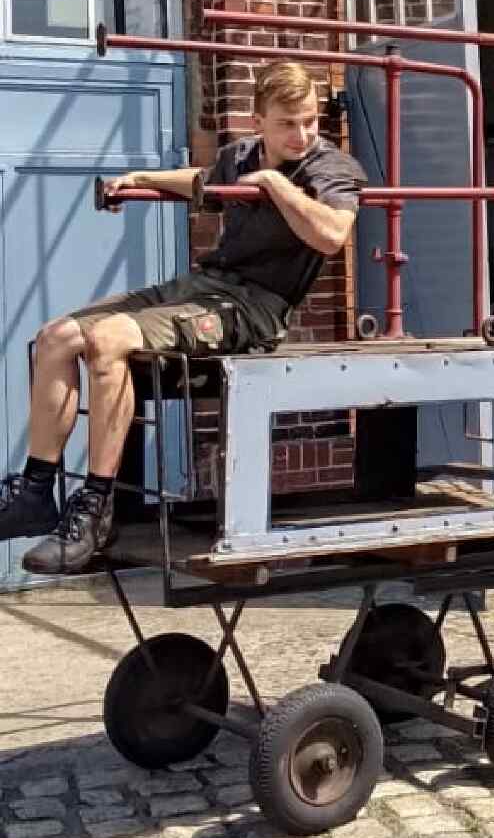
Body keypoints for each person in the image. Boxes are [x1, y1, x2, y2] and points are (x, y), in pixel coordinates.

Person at [0, 60, 363, 576]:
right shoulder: (240, 155)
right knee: (55, 337)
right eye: (287, 123)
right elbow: (203, 181)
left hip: (253, 309)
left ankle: (95, 508)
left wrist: (274, 185)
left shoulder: (330, 168)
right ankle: (35, 491)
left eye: (309, 121)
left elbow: (332, 235)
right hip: (203, 285)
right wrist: (141, 178)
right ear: (258, 121)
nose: (302, 135)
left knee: (109, 339)